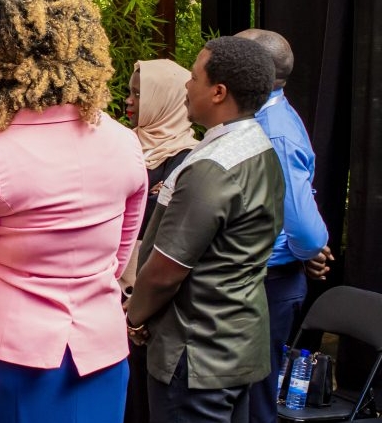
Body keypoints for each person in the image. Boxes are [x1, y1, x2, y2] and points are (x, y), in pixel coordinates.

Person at [0, 0, 147, 421]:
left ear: (1, 60)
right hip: (100, 355)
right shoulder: (126, 145)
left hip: (4, 362)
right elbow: (118, 260)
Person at [127, 36, 284, 423]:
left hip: (195, 352)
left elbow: (166, 271)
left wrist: (135, 316)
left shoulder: (212, 168)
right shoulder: (259, 147)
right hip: (236, 342)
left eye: (194, 76)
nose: (186, 84)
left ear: (218, 92)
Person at [234, 28, 333, 423]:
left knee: (256, 400)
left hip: (269, 283)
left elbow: (305, 230)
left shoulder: (273, 131)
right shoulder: (263, 117)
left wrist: (308, 251)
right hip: (268, 277)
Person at [120, 58, 199, 423]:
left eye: (139, 93)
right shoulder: (118, 146)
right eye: (130, 91)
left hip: (150, 304)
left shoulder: (191, 158)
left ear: (164, 99)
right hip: (109, 291)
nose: (129, 101)